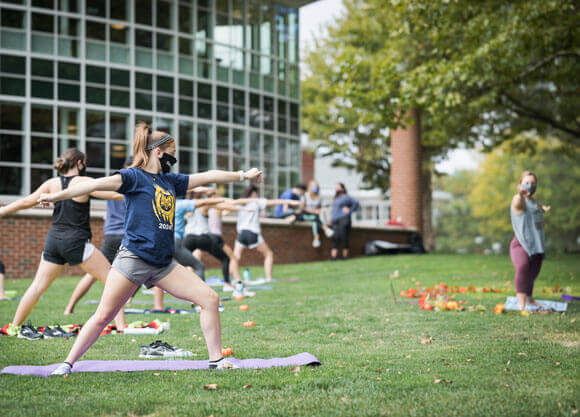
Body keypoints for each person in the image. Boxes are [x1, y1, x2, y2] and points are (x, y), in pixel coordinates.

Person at [39, 121, 262, 375]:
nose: (175, 157)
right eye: (172, 151)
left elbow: (209, 175)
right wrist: (54, 197)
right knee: (103, 316)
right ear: (158, 152)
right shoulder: (133, 177)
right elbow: (92, 185)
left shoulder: (171, 181)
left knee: (209, 299)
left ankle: (216, 359)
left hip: (163, 264)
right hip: (132, 260)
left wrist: (243, 175)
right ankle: (67, 364)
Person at [0, 148, 127, 339]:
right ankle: (122, 327)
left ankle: (14, 327)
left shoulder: (51, 184)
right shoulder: (83, 182)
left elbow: (25, 202)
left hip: (54, 240)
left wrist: (1, 212)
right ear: (79, 164)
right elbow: (116, 194)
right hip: (75, 241)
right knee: (113, 282)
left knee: (37, 286)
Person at [64, 157, 133, 315]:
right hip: (126, 233)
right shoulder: (133, 184)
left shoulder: (112, 182)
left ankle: (70, 307)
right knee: (141, 268)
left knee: (94, 274)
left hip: (110, 233)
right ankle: (126, 304)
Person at [151, 189, 225, 310]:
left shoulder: (159, 204)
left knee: (157, 273)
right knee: (198, 266)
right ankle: (202, 300)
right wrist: (221, 199)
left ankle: (158, 307)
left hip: (161, 242)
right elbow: (203, 202)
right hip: (174, 242)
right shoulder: (180, 203)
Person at [182, 191, 248, 292]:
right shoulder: (204, 206)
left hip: (189, 238)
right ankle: (227, 284)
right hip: (203, 238)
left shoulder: (185, 206)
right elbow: (220, 206)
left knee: (186, 262)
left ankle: (183, 285)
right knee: (225, 259)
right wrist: (240, 207)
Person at [234, 185, 301, 282]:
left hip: (241, 233)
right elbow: (274, 202)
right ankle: (269, 278)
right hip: (253, 232)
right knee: (268, 254)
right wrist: (289, 201)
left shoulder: (240, 203)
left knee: (235, 257)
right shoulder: (256, 202)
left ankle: (233, 279)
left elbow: (227, 207)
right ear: (253, 193)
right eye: (256, 194)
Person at [510, 171, 551, 310]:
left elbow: (536, 205)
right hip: (521, 244)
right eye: (527, 182)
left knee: (533, 273)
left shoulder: (533, 201)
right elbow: (519, 204)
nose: (530, 185)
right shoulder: (518, 199)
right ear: (520, 184)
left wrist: (543, 208)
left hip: (537, 245)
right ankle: (521, 305)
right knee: (523, 267)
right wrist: (520, 196)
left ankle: (529, 299)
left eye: (533, 183)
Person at [329, 183, 359, 261]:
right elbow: (334, 211)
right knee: (335, 237)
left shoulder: (347, 197)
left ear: (342, 188)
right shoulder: (335, 198)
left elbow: (356, 203)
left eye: (338, 187)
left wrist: (350, 210)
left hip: (344, 219)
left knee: (344, 237)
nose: (336, 189)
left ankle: (344, 257)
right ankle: (333, 257)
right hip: (335, 220)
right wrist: (331, 220)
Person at [301, 180, 334, 248]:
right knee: (315, 217)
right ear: (309, 187)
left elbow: (320, 207)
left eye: (316, 186)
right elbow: (302, 208)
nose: (315, 187)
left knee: (315, 222)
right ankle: (325, 229)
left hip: (315, 216)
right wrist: (314, 211)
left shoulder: (319, 196)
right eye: (313, 186)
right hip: (305, 215)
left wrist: (318, 210)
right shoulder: (305, 195)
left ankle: (316, 239)